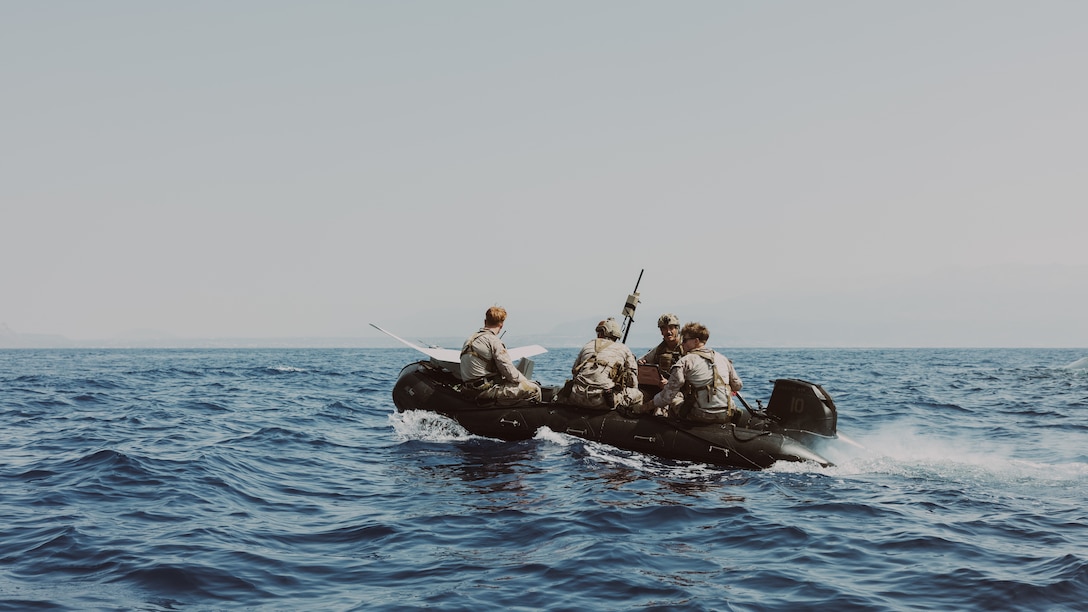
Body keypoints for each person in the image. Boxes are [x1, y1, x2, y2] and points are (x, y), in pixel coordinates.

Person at [649, 322, 743, 424]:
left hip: (700, 415)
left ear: (696, 341)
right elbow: (737, 386)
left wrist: (644, 407)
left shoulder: (685, 361)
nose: (682, 343)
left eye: (684, 340)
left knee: (675, 395)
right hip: (726, 414)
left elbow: (666, 397)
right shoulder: (722, 359)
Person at [460, 306, 542, 403]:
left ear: (485, 322)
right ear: (501, 325)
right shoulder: (494, 341)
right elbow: (508, 371)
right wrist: (526, 382)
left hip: (468, 389)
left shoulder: (469, 339)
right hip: (483, 391)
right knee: (534, 389)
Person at [567, 318, 644, 410]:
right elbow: (632, 377)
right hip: (602, 401)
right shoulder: (624, 349)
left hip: (577, 396)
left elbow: (574, 371)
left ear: (601, 333)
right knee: (638, 395)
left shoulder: (588, 345)